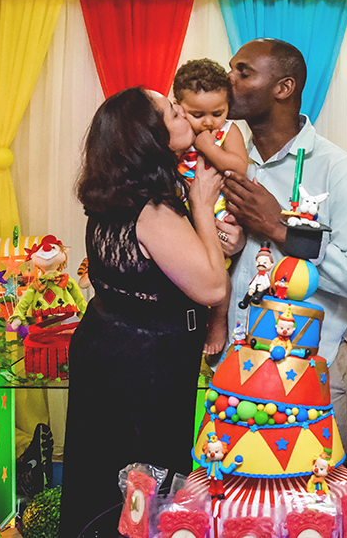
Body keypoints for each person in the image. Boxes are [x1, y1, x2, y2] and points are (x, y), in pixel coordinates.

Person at [58, 87, 228, 538]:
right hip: (144, 365)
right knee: (142, 483)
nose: (185, 116)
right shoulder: (152, 209)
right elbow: (212, 285)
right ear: (148, 137)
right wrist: (204, 207)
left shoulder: (113, 194)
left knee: (99, 471)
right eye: (173, 112)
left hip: (108, 343)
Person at [216, 38, 347, 450]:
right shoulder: (227, 165)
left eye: (243, 71)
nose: (228, 80)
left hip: (310, 380)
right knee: (234, 507)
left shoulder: (338, 170)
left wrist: (281, 231)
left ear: (284, 88)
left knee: (312, 510)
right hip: (234, 374)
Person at [172, 58, 249, 359]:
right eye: (197, 114)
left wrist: (208, 147)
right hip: (182, 207)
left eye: (218, 112)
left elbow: (239, 166)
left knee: (219, 268)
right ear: (178, 106)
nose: (208, 122)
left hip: (217, 207)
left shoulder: (226, 132)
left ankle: (219, 320)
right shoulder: (177, 130)